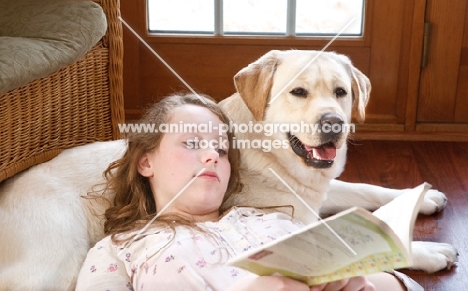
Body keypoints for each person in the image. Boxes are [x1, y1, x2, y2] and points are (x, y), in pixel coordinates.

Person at [76, 92, 421, 291]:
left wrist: (364, 284)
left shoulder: (271, 222)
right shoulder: (121, 249)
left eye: (222, 150)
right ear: (145, 161)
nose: (212, 154)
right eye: (193, 143)